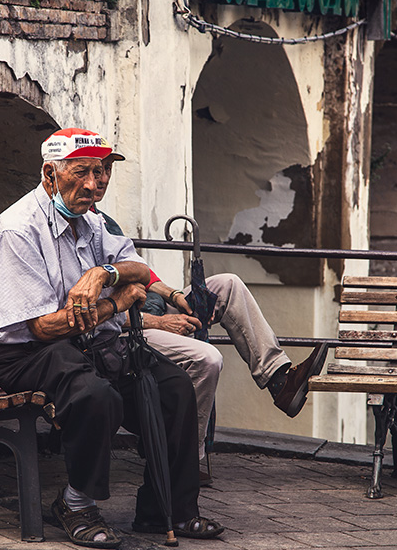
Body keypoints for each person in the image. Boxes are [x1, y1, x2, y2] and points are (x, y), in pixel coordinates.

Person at [0, 128, 224, 549]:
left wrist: (102, 274)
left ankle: (169, 508)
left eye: (102, 171)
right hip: (25, 353)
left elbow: (139, 269)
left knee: (175, 388)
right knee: (97, 396)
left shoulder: (90, 220)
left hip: (83, 344)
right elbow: (42, 328)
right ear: (50, 174)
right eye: (82, 173)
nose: (95, 185)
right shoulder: (18, 231)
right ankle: (75, 504)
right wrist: (116, 303)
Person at [92, 152, 328, 482]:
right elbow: (98, 315)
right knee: (207, 358)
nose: (101, 178)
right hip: (121, 329)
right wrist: (159, 322)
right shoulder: (77, 229)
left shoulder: (104, 223)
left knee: (226, 285)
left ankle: (279, 379)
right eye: (95, 171)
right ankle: (190, 456)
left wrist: (178, 296)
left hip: (150, 313)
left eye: (106, 170)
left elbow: (141, 274)